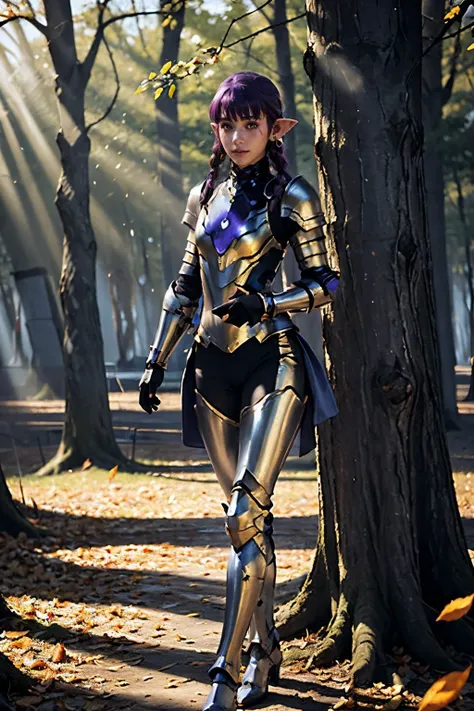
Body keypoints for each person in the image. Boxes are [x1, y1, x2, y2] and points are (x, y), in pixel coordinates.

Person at [139, 72, 339, 711]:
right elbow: (184, 285)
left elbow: (327, 281)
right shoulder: (204, 196)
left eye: (251, 123)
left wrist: (269, 301)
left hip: (272, 363)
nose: (237, 135)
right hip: (209, 372)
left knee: (241, 514)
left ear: (275, 128)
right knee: (250, 530)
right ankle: (266, 646)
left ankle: (224, 672)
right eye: (227, 124)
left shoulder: (292, 194)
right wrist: (155, 360)